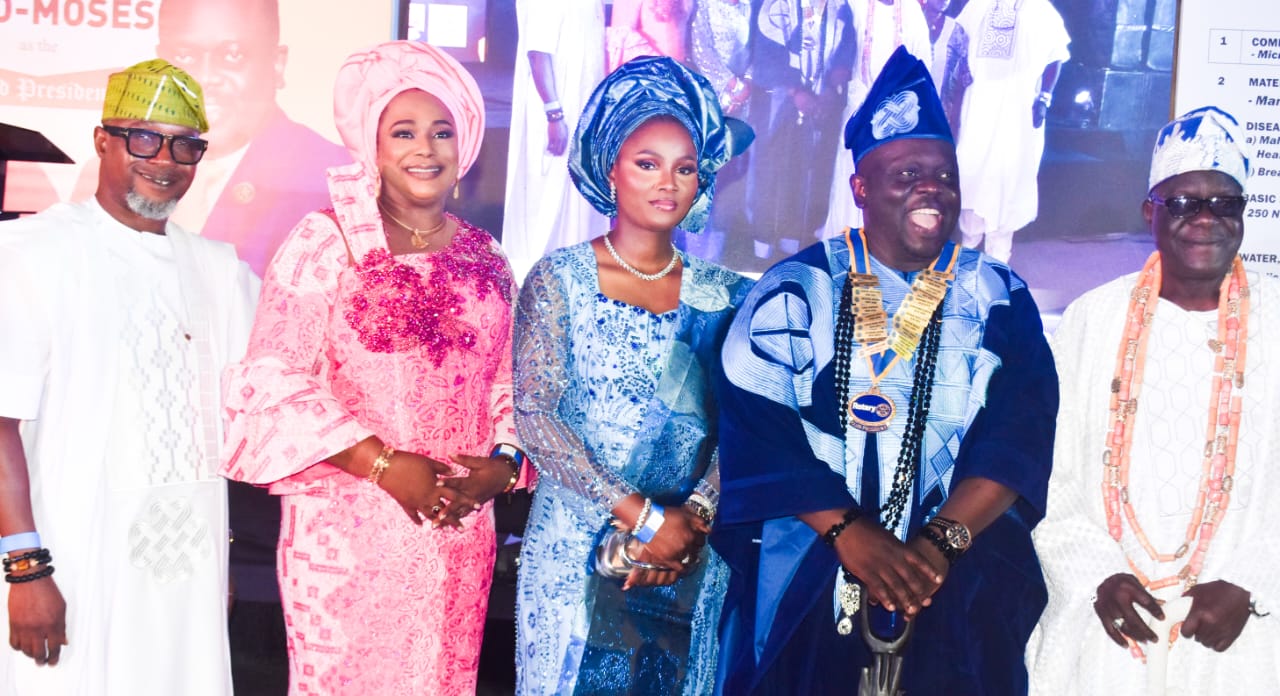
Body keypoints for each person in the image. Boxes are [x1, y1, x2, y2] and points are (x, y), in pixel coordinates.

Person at [713, 46, 1058, 694]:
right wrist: (848, 534)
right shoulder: (796, 289)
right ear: (860, 189)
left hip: (956, 578)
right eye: (906, 174)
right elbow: (757, 427)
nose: (932, 188)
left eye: (944, 175)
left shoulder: (999, 296)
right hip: (813, 572)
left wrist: (939, 543)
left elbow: (1021, 434)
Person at [218, 41, 527, 696]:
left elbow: (510, 381)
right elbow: (273, 380)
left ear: (464, 144)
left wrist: (502, 467)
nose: (426, 148)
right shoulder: (324, 242)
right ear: (372, 146)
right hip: (348, 533)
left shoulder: (488, 257)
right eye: (404, 132)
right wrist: (383, 464)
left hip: (460, 531)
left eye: (442, 131)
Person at [0, 60, 258, 695]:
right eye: (144, 138)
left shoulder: (219, 270)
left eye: (185, 145)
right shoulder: (33, 252)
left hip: (187, 569)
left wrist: (218, 553)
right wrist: (26, 568)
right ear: (102, 140)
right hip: (70, 558)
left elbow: (275, 393)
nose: (164, 160)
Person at [513, 56, 754, 695]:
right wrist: (645, 519)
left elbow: (744, 425)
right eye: (648, 163)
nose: (667, 182)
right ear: (609, 168)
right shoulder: (559, 279)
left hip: (686, 557)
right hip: (576, 549)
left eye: (685, 168)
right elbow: (535, 417)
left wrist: (692, 520)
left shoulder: (728, 295)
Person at [1027, 107, 1280, 694]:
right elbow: (1048, 469)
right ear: (1150, 211)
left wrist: (1252, 579)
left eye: (1224, 203)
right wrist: (1098, 573)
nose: (1206, 219)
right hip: (1109, 624)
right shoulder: (1092, 319)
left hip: (1247, 631)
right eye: (1184, 203)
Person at [943, 0, 1068, 263]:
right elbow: (957, 49)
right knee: (970, 184)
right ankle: (965, 263)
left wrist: (1044, 98)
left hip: (1016, 119)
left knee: (1007, 191)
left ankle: (997, 267)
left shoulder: (1040, 10)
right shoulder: (978, 5)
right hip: (977, 114)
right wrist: (954, 102)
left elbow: (1056, 56)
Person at [502, 0, 609, 282]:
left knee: (579, 205)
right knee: (546, 208)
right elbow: (538, 55)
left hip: (584, 113)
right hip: (557, 115)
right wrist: (554, 114)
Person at [820, 0, 932, 239]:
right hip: (859, 107)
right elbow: (839, 50)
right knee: (850, 178)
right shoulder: (856, 5)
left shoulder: (911, 12)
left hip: (897, 115)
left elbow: (923, 68)